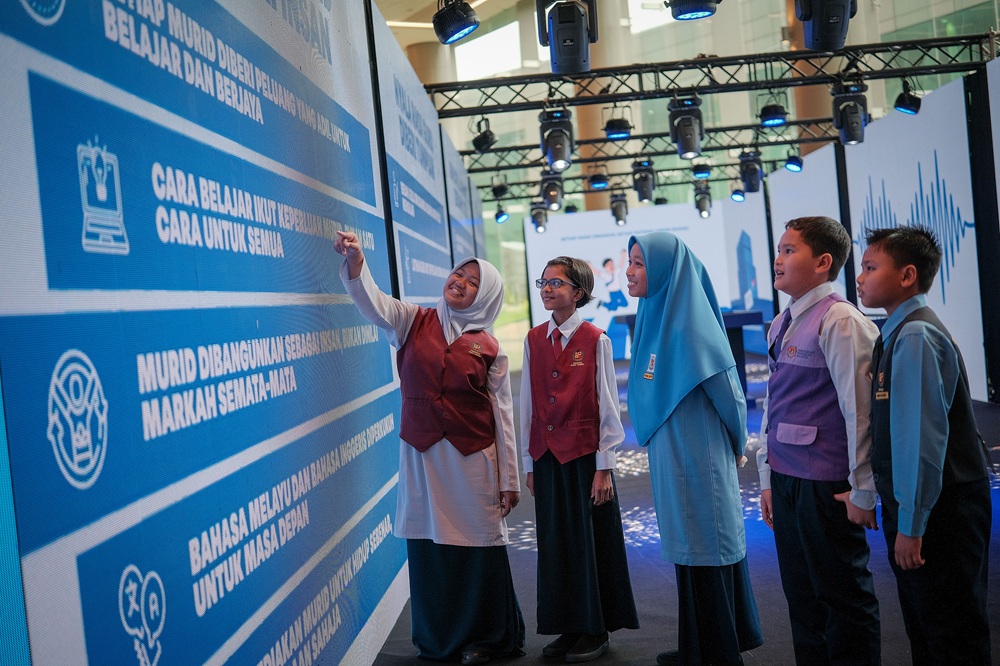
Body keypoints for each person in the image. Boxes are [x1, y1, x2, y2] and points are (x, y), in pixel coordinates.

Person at [334, 230, 525, 666]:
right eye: (459, 274)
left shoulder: (490, 348)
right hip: (422, 458)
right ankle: (438, 639)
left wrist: (509, 479)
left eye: (473, 282)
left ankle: (488, 637)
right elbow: (372, 302)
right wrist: (356, 261)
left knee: (476, 547)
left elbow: (503, 418)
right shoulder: (412, 320)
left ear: (485, 297)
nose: (460, 282)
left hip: (473, 460)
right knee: (431, 548)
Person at [625, 231, 763, 666]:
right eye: (630, 262)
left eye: (639, 263)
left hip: (699, 456)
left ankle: (717, 652)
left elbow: (730, 394)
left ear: (666, 271)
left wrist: (738, 443)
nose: (629, 272)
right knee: (690, 548)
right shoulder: (655, 315)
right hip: (674, 456)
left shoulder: (690, 325)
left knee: (706, 546)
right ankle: (699, 646)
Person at [857, 225, 992, 665]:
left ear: (907, 275)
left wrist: (912, 525)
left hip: (941, 511)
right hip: (933, 505)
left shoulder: (915, 335)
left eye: (871, 267)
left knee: (950, 634)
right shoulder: (898, 332)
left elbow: (919, 442)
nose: (860, 277)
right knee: (931, 629)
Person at [756, 216, 881, 665]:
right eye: (779, 249)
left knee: (842, 596)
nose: (778, 259)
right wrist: (767, 477)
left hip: (826, 483)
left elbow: (860, 413)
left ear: (823, 262)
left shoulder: (841, 320)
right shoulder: (781, 321)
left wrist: (863, 488)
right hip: (787, 478)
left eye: (790, 251)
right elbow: (773, 405)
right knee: (802, 597)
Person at [520, 256, 639, 663]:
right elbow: (528, 404)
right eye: (544, 282)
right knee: (556, 543)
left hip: (586, 458)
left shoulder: (595, 339)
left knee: (589, 544)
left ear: (579, 292)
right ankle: (567, 626)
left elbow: (608, 406)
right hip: (547, 457)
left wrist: (604, 467)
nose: (547, 288)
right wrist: (529, 463)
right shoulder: (533, 339)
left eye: (557, 282)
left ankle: (594, 628)